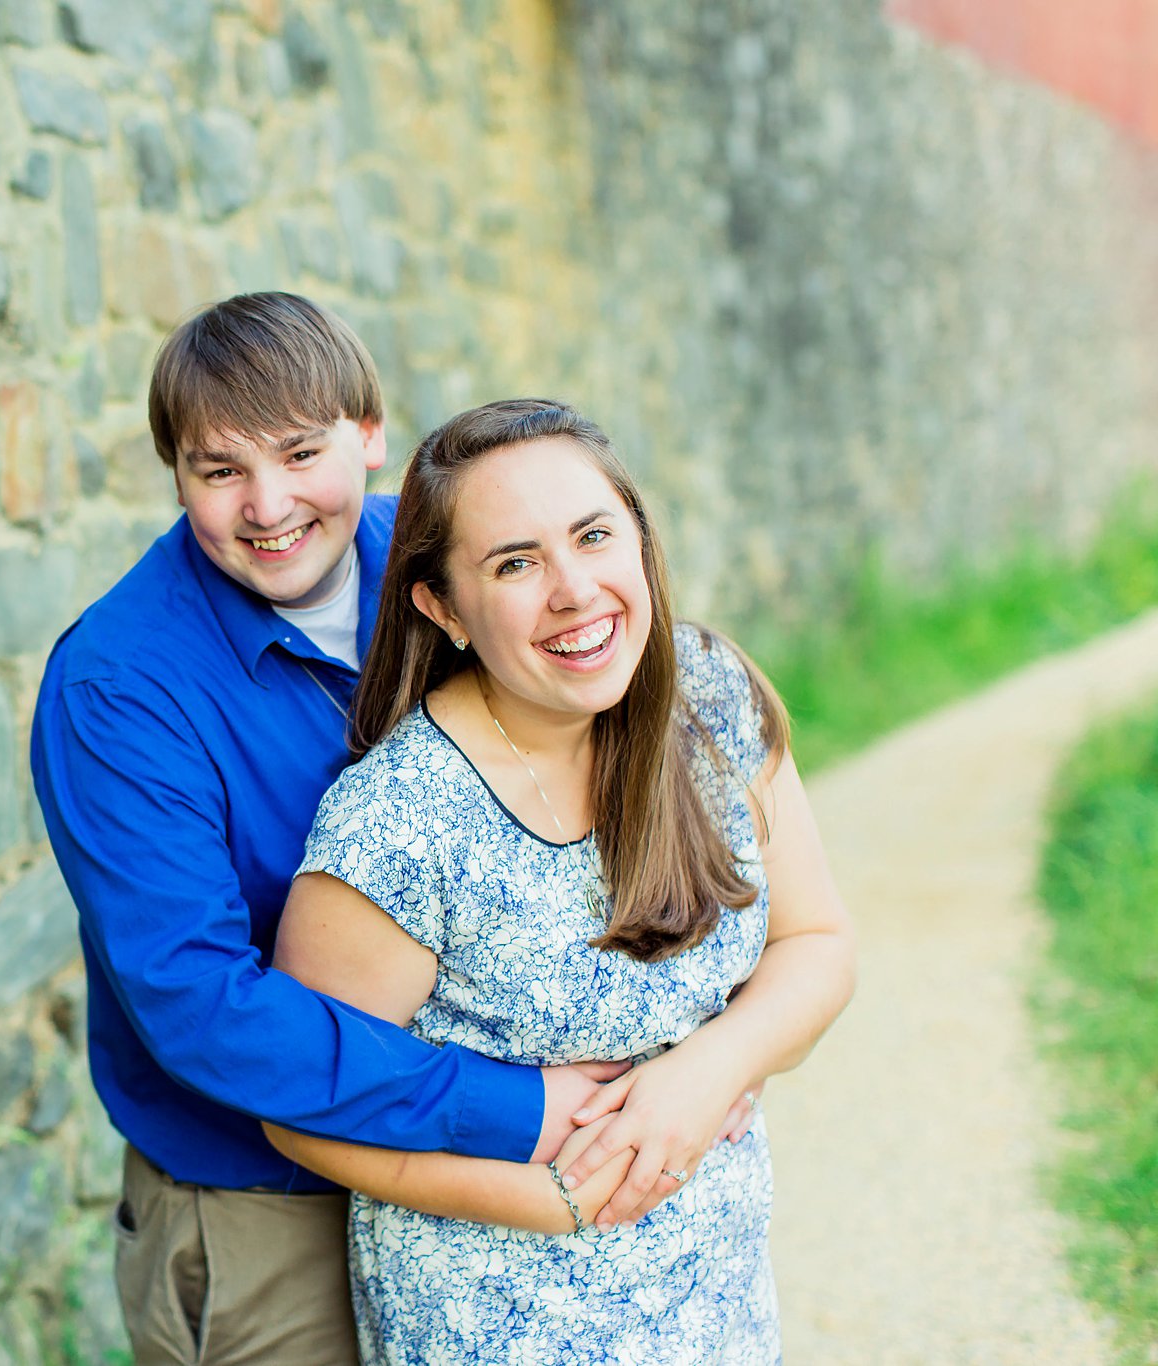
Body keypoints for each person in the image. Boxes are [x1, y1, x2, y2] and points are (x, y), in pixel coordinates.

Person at [31, 296, 774, 1363]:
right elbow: (200, 1010)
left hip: (493, 1193)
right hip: (263, 1202)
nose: (268, 504)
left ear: (370, 435)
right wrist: (518, 1109)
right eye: (217, 470)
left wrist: (694, 1051)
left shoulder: (455, 563)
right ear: (175, 473)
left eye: (299, 453)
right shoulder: (117, 689)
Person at [263, 398, 856, 1363]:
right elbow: (301, 1109)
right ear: (442, 608)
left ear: (639, 538)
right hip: (494, 1324)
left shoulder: (710, 694)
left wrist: (707, 1072)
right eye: (515, 563)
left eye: (593, 535)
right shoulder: (400, 823)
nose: (574, 590)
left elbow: (817, 945)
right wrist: (552, 1202)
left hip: (719, 1306)